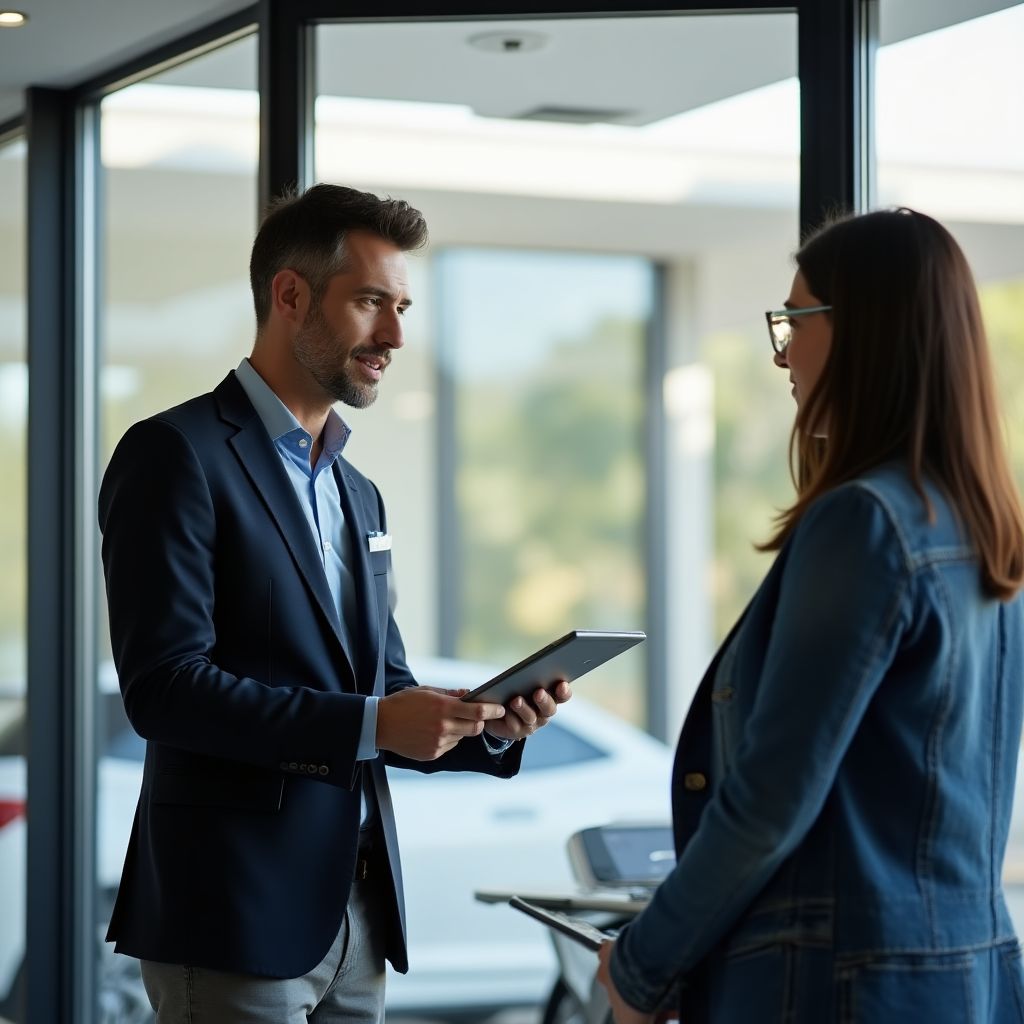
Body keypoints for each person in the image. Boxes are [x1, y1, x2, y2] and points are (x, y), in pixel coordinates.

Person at [98, 183, 571, 1024]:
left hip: (357, 913)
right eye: (369, 303)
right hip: (234, 911)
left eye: (402, 307)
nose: (394, 335)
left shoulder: (359, 494)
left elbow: (385, 688)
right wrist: (371, 725)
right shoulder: (176, 454)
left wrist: (485, 726)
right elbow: (163, 690)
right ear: (290, 296)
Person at [596, 208, 1024, 1023]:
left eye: (797, 319)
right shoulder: (984, 531)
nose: (783, 351)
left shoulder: (863, 523)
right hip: (966, 978)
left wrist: (640, 966)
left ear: (867, 329)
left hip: (839, 985)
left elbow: (768, 802)